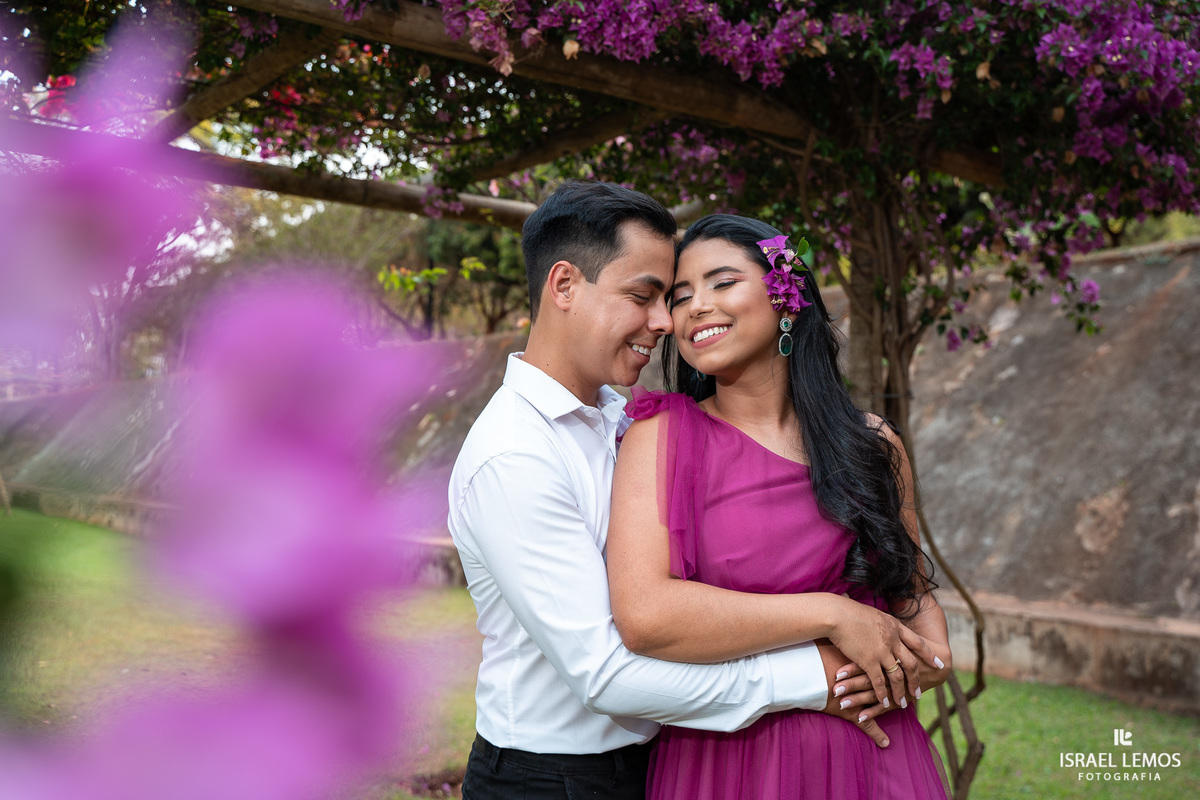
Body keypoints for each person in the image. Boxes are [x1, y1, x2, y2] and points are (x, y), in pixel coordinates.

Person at [447, 183, 941, 800]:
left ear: (785, 298)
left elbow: (912, 600)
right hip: (558, 777)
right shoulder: (514, 455)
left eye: (670, 298)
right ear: (565, 285)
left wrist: (918, 655)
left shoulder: (616, 419)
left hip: (661, 758)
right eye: (649, 296)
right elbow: (606, 672)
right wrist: (823, 656)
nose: (668, 319)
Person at [606, 213, 953, 799]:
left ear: (785, 295)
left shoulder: (872, 445)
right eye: (681, 295)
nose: (695, 307)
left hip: (875, 758)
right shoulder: (660, 436)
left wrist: (931, 660)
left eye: (722, 282)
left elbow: (912, 595)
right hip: (725, 763)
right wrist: (832, 613)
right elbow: (645, 616)